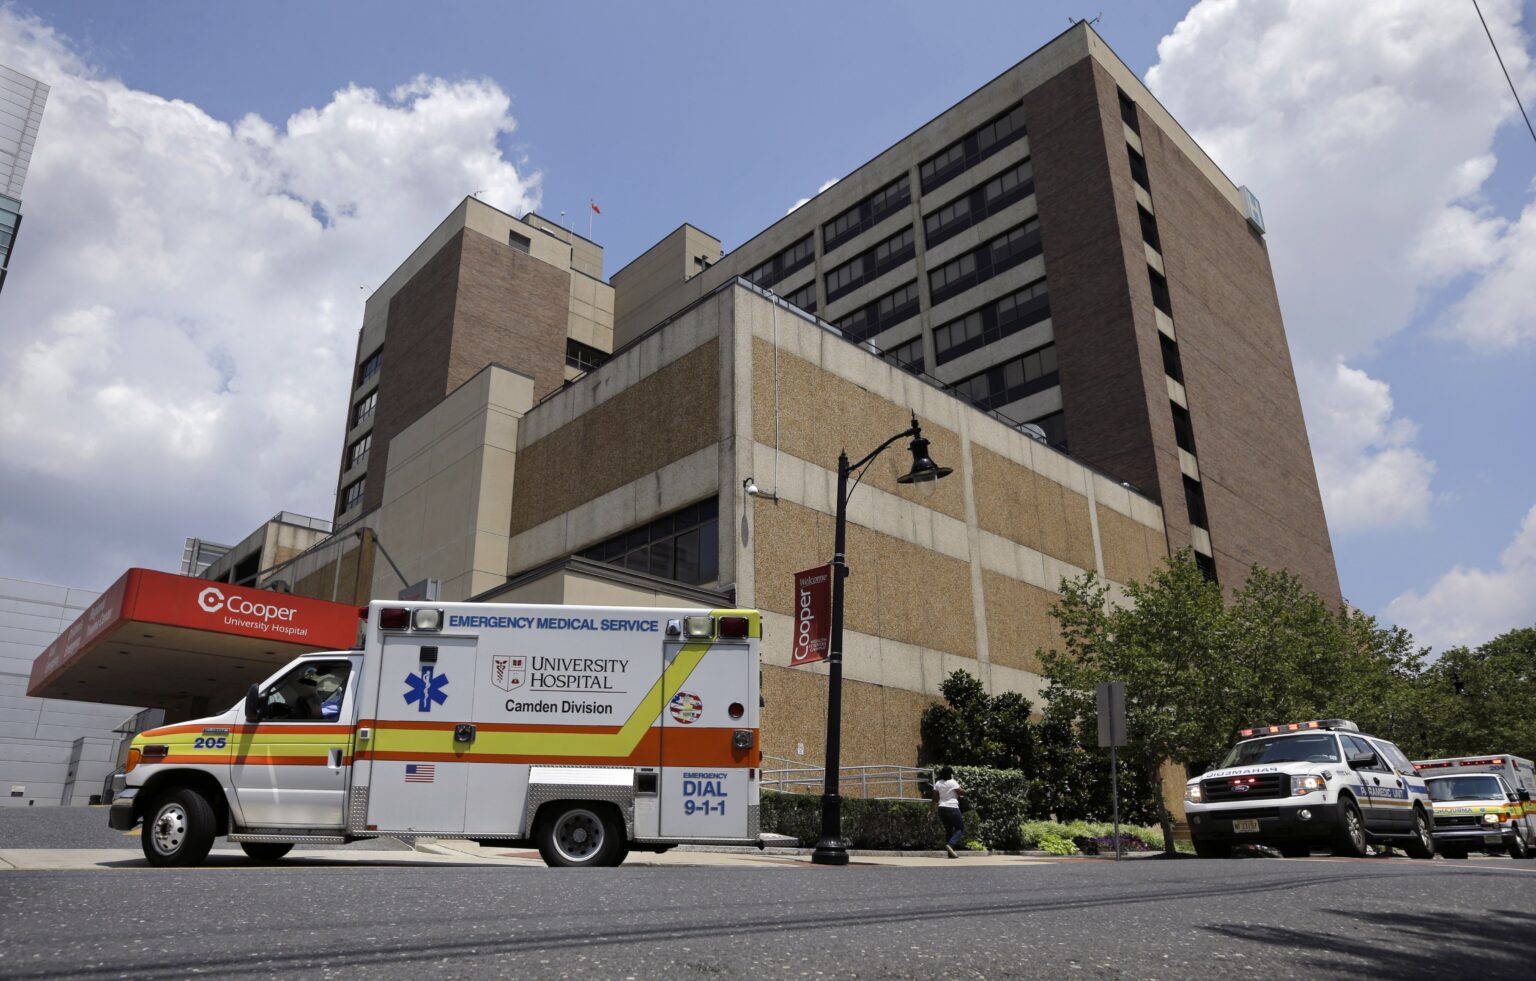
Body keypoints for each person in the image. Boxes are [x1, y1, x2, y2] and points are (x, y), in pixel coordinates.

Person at [930, 765, 966, 859]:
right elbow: (960, 792)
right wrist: (964, 791)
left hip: (941, 808)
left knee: (949, 829)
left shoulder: (938, 783)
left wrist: (931, 810)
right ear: (950, 774)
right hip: (952, 807)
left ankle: (950, 854)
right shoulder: (952, 782)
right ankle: (951, 844)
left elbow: (935, 798)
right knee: (959, 828)